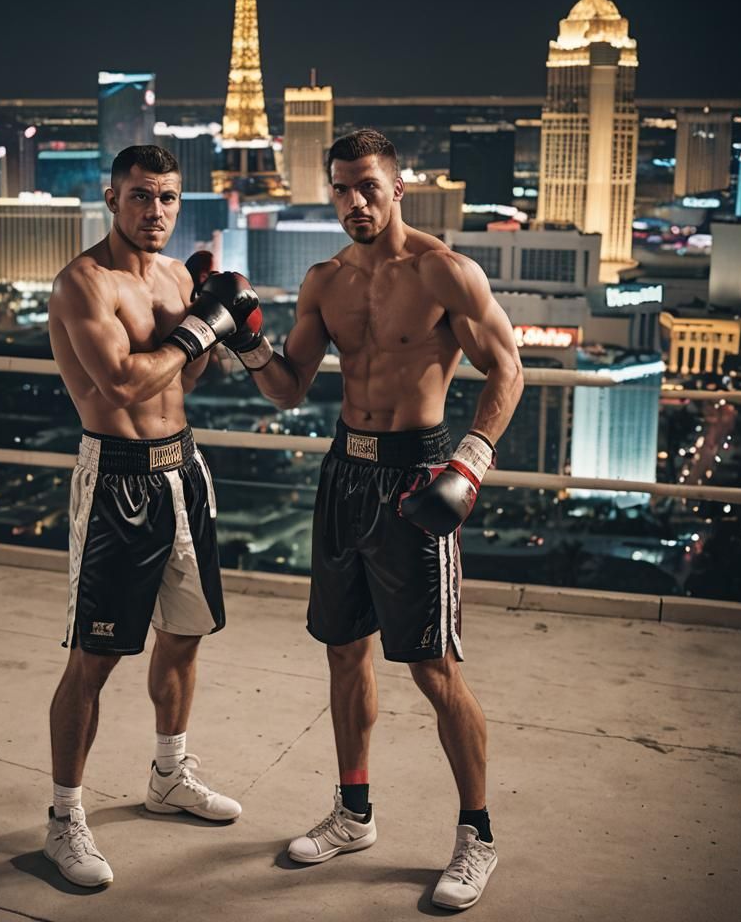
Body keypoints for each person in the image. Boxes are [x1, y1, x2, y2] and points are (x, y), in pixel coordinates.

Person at [235, 129, 524, 911]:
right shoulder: (324, 281)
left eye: (367, 185)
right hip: (343, 472)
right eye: (340, 188)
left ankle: (477, 835)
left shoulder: (442, 271)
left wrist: (468, 464)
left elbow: (508, 368)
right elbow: (290, 389)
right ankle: (353, 812)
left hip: (417, 472)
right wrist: (248, 340)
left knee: (432, 667)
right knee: (342, 651)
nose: (354, 202)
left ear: (399, 187)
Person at [44, 145, 261, 887]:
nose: (155, 212)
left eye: (167, 198)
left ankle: (169, 775)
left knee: (185, 636)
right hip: (116, 482)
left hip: (184, 473)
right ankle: (64, 818)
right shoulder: (83, 284)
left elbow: (185, 377)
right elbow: (124, 383)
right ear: (112, 198)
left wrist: (213, 315)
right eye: (140, 197)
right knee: (94, 660)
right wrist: (202, 329)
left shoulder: (174, 276)